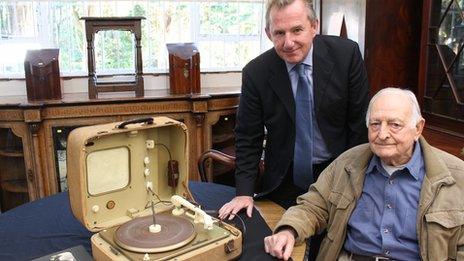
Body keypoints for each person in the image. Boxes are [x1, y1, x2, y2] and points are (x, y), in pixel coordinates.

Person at [264, 87, 464, 261]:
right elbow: (313, 206)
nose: (383, 134)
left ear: (418, 128)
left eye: (395, 125)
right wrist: (289, 230)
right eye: (375, 124)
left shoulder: (456, 177)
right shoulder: (347, 163)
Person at [219, 0, 369, 218]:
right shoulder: (255, 72)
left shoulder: (346, 55)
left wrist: (356, 182)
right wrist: (244, 192)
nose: (288, 43)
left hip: (338, 173)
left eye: (297, 30)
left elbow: (359, 125)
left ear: (314, 26)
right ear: (268, 33)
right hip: (284, 181)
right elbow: (248, 136)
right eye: (279, 33)